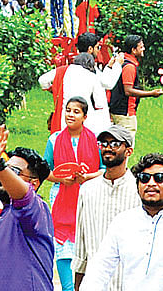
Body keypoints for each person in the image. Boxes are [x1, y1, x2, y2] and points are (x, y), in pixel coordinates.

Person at [79, 153, 163, 290]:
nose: (151, 183)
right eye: (144, 178)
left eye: (159, 178)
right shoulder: (123, 222)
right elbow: (99, 270)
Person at [0, 127, 53, 291]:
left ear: (33, 183)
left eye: (13, 171)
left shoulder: (36, 207)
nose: (3, 175)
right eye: (6, 167)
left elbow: (24, 195)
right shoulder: (7, 212)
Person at [44, 97, 103, 291]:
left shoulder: (95, 140)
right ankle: (68, 288)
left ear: (85, 116)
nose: (70, 115)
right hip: (61, 196)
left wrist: (87, 177)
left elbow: (104, 169)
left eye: (76, 112)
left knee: (86, 244)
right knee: (63, 246)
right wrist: (61, 179)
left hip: (88, 196)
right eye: (68, 110)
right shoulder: (54, 139)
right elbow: (44, 171)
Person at [72, 126, 139, 291]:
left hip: (129, 283)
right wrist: (78, 285)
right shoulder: (88, 190)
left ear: (128, 151)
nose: (108, 148)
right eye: (104, 143)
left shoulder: (140, 191)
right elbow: (81, 243)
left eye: (115, 143)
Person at [108, 34, 163, 140]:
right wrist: (151, 93)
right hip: (125, 113)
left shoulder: (123, 61)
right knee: (127, 145)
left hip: (118, 110)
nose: (144, 49)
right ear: (134, 50)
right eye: (141, 46)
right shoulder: (129, 67)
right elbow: (128, 91)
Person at [39, 53, 111, 135]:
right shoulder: (92, 76)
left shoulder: (62, 70)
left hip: (64, 115)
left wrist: (52, 89)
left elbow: (42, 80)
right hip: (84, 116)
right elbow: (99, 104)